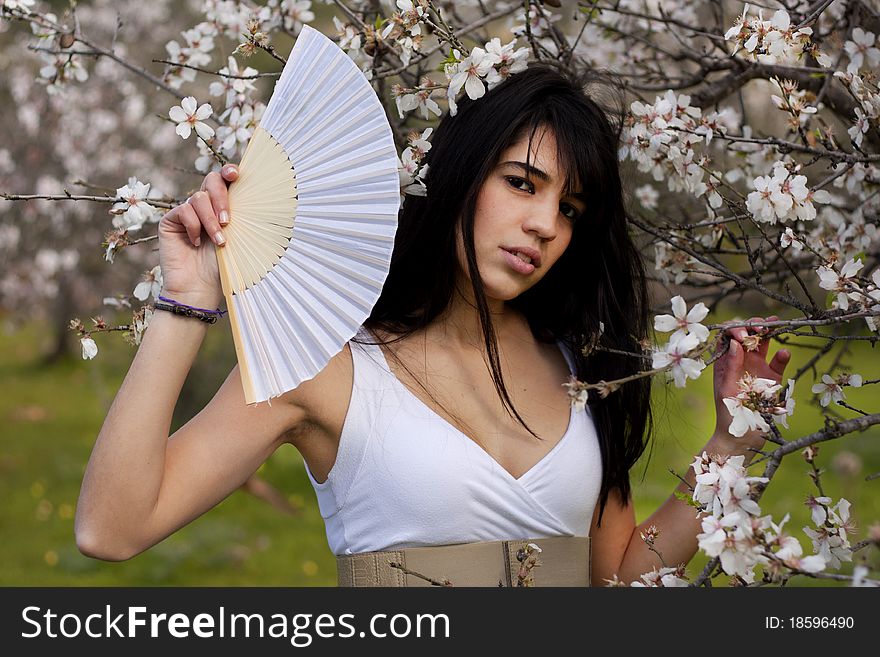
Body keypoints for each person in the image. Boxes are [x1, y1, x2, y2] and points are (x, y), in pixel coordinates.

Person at [75, 63, 791, 586]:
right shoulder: (328, 365)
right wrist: (187, 300)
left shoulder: (581, 368)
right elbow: (112, 528)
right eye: (521, 182)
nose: (544, 224)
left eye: (571, 210)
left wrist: (734, 441)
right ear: (459, 176)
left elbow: (623, 583)